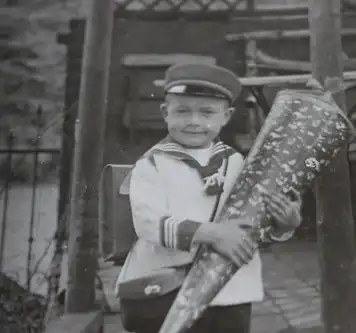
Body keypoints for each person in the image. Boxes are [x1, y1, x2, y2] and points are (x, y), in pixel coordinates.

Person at [115, 63, 303, 333]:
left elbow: (253, 223)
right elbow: (149, 224)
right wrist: (214, 234)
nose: (194, 122)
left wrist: (283, 224)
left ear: (225, 116)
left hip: (231, 288)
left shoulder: (236, 162)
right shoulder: (152, 164)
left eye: (207, 113)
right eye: (182, 111)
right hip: (170, 289)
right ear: (165, 113)